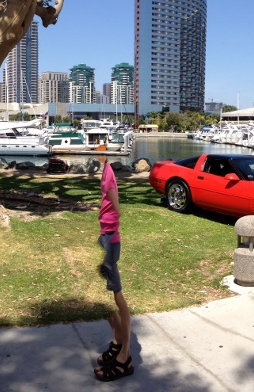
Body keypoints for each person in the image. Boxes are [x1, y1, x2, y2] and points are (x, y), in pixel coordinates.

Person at [93, 158, 134, 382]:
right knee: (106, 296)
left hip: (110, 238)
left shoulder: (108, 172)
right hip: (106, 236)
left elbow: (114, 201)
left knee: (116, 296)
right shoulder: (105, 169)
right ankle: (118, 343)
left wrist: (115, 213)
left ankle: (125, 357)